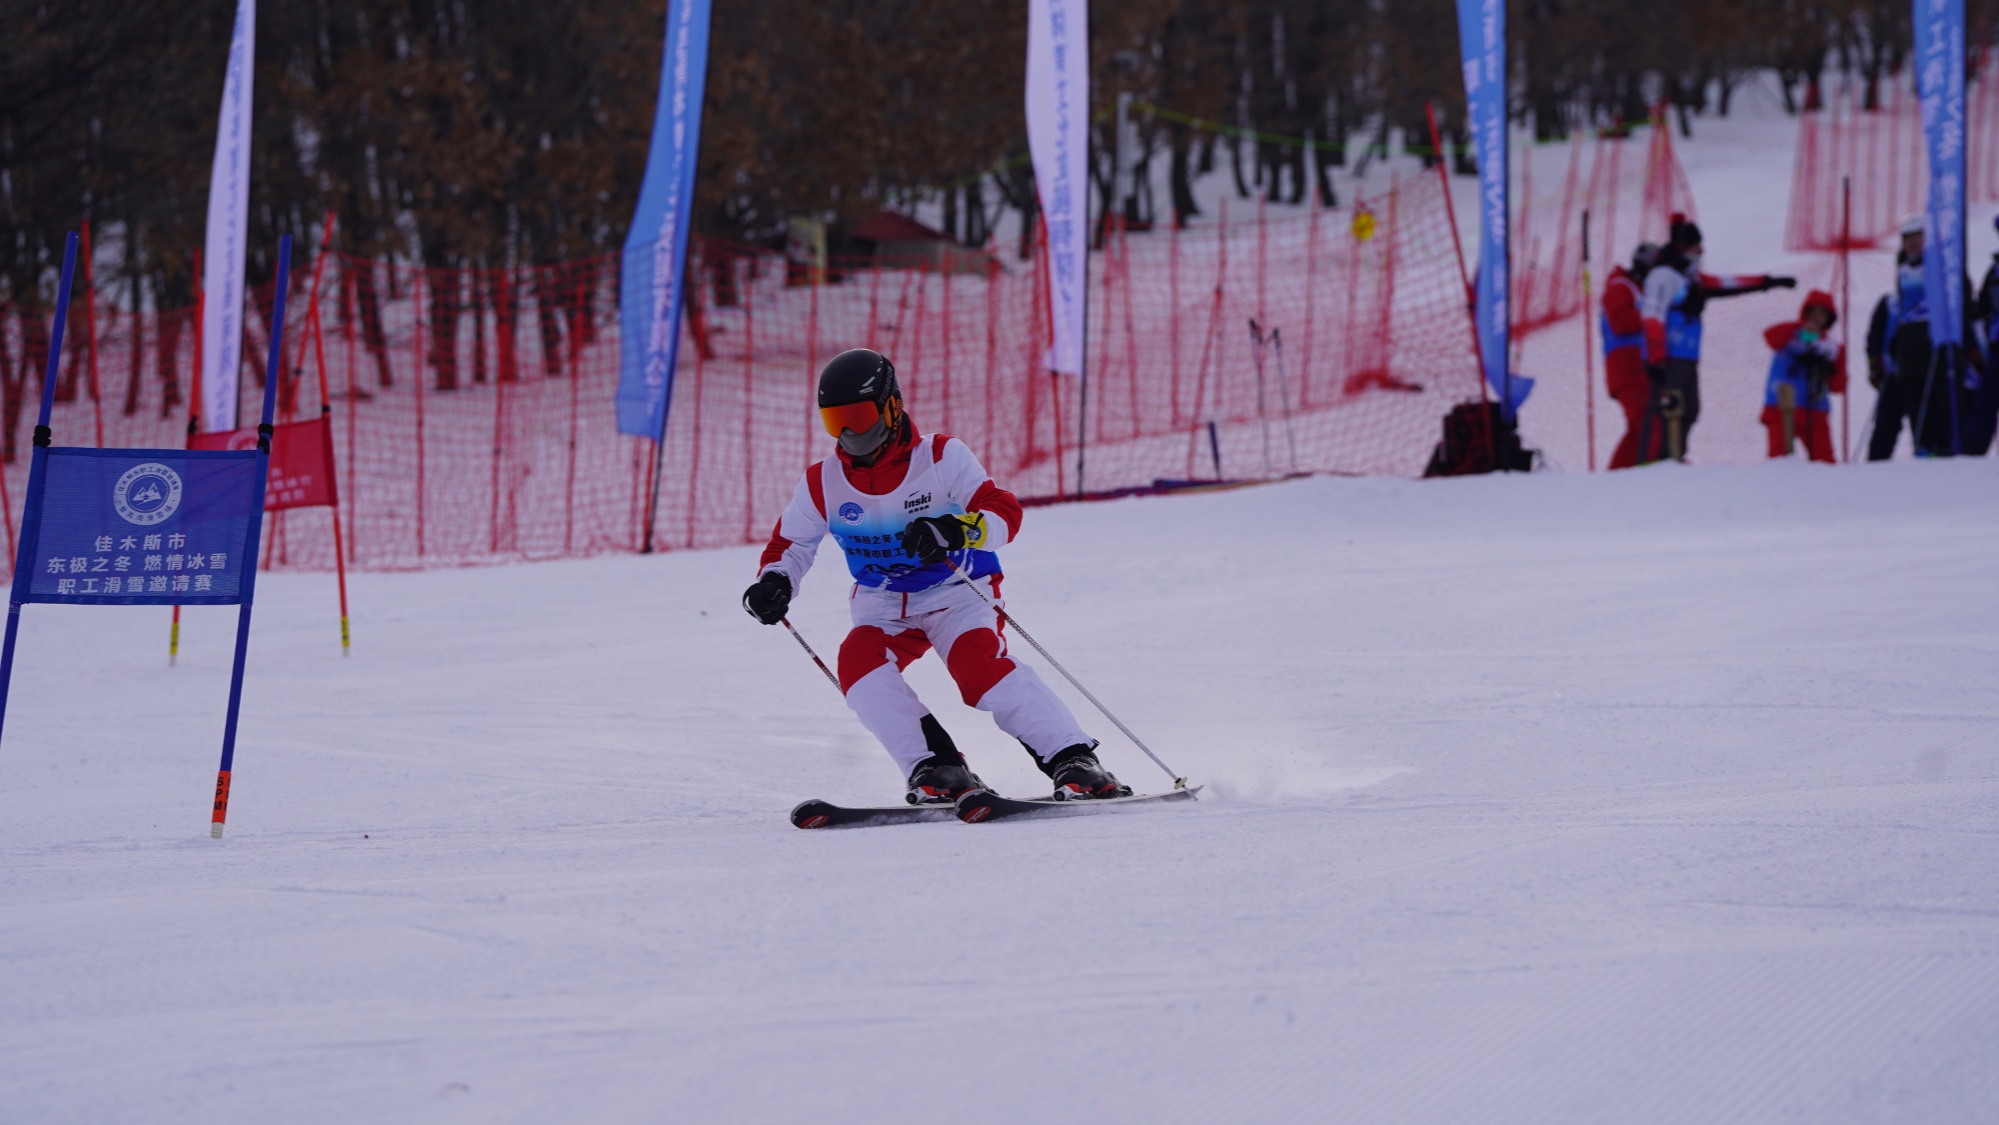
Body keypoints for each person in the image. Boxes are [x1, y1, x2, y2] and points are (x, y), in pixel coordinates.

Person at [742, 348, 1129, 804]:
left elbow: (1004, 513)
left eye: (859, 417)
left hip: (955, 591)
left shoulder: (941, 456)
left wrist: (955, 529)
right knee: (858, 664)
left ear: (892, 407)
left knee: (978, 668)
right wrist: (775, 582)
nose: (849, 433)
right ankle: (937, 767)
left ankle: (1073, 758)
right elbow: (791, 545)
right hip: (882, 601)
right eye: (835, 422)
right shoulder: (822, 482)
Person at [1641, 214, 1796, 460]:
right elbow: (1652, 317)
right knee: (1665, 409)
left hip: (1687, 356)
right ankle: (1653, 463)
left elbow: (1728, 283)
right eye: (1696, 245)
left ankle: (1674, 458)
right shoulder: (1663, 276)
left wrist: (1767, 282)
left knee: (1690, 409)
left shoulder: (1690, 277)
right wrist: (1657, 358)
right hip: (1668, 357)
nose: (1701, 250)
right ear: (1683, 246)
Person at [1867, 214, 1977, 459]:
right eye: (1907, 240)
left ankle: (1948, 446)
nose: (1912, 245)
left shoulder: (1942, 267)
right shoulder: (1903, 269)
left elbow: (1962, 301)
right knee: (1915, 400)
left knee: (1943, 398)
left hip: (1939, 343)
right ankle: (1923, 447)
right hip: (1911, 349)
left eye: (1917, 239)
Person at [1759, 290, 1844, 463]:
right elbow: (1769, 336)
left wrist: (1830, 369)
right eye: (1813, 312)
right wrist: (1799, 329)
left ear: (1830, 318)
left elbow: (1838, 387)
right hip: (1781, 407)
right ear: (1805, 312)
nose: (1817, 317)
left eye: (1823, 313)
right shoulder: (1789, 334)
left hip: (1816, 409)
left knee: (1825, 463)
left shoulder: (1833, 348)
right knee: (1778, 461)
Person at [1603, 243, 1663, 468]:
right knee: (1643, 423)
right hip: (1627, 368)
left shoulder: (1637, 288)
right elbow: (1620, 322)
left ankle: (1631, 471)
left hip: (1637, 367)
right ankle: (1622, 474)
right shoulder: (1620, 287)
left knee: (1645, 422)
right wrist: (1654, 316)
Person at [1967, 215, 1999, 455]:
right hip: (1996, 346)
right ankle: (1973, 456)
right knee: (1985, 402)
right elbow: (1983, 306)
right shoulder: (1994, 270)